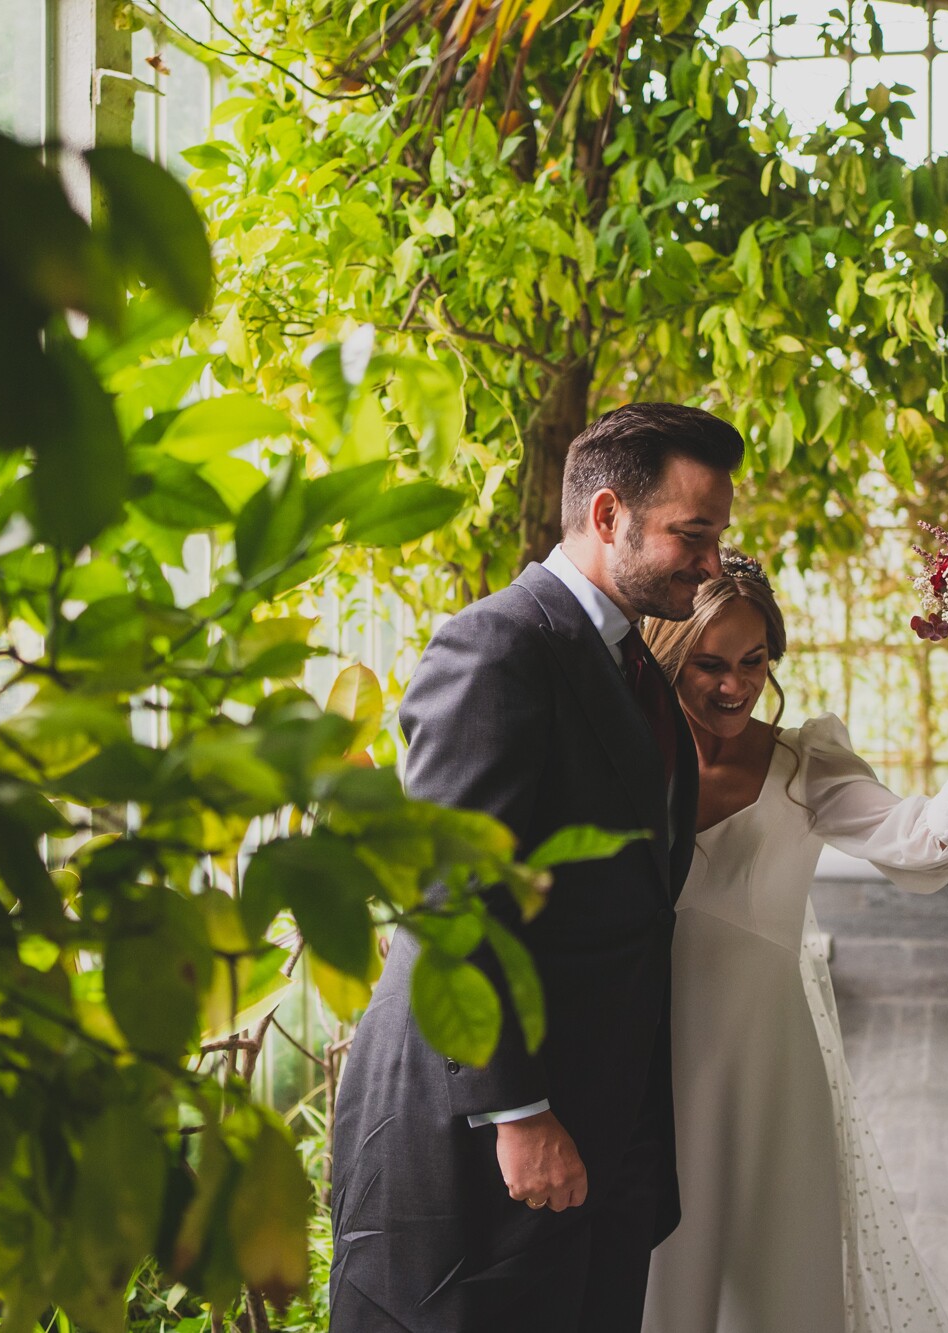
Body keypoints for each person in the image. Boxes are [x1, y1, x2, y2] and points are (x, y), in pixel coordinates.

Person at [326, 403, 742, 1333]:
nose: (713, 562)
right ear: (606, 517)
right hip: (482, 1152)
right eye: (693, 533)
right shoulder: (497, 647)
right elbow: (446, 894)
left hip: (604, 1139)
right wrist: (517, 1112)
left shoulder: (631, 664)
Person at [638, 552, 948, 1333]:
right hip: (646, 1069)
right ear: (667, 652)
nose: (735, 685)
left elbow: (927, 846)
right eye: (710, 663)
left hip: (768, 1066)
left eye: (755, 660)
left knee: (776, 1286)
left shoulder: (804, 763)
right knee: (658, 1285)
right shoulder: (621, 756)